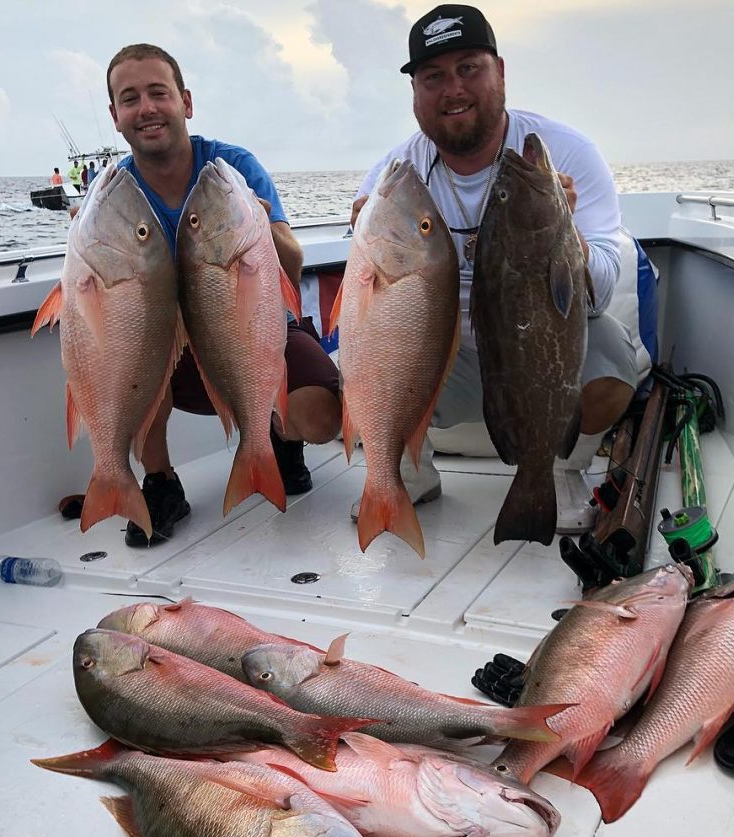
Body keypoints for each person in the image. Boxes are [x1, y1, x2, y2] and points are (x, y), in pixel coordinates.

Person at [350, 4, 650, 535]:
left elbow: (600, 295)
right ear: (415, 93)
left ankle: (554, 468)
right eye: (433, 77)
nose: (453, 89)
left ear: (501, 72)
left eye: (469, 68)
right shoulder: (395, 176)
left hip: (535, 347)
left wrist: (566, 231)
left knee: (609, 359)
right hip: (441, 351)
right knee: (358, 367)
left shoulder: (569, 153)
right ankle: (405, 470)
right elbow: (363, 308)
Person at [106, 43, 342, 547]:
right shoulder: (114, 195)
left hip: (255, 328)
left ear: (185, 102)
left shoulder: (230, 168)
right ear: (115, 117)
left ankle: (276, 440)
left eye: (158, 93)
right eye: (130, 98)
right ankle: (161, 483)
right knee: (130, 361)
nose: (146, 108)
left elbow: (292, 264)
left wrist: (261, 229)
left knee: (323, 415)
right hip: (172, 349)